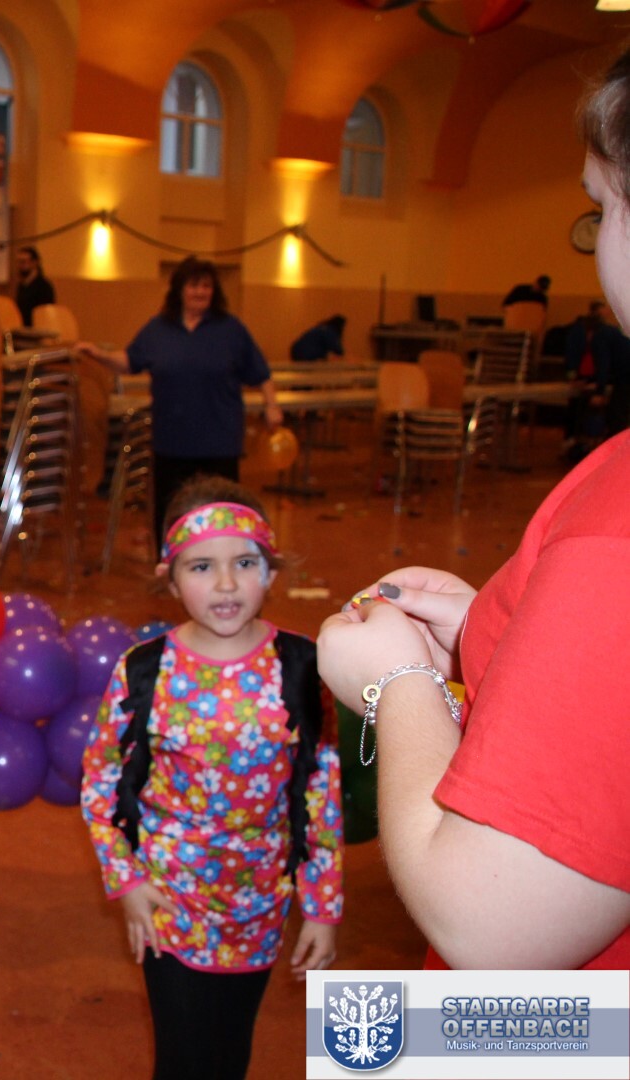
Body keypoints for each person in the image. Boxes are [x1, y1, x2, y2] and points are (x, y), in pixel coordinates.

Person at [315, 47, 630, 970]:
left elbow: (491, 926)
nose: (596, 243)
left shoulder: (615, 533)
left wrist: (397, 683)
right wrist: (505, 627)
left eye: (602, 207)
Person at [82, 477, 342, 1080]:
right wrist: (126, 880)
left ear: (270, 571)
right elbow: (100, 780)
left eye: (244, 563)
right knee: (183, 1060)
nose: (226, 584)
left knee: (229, 1053)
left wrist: (322, 906)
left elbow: (319, 791)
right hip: (171, 900)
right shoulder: (144, 670)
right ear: (171, 579)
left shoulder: (302, 665)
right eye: (202, 567)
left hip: (260, 904)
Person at [75, 257, 284, 541]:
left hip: (219, 441)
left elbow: (260, 372)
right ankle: (170, 560)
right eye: (194, 285)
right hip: (172, 440)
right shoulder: (159, 329)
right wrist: (99, 354)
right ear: (180, 290)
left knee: (219, 512)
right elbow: (129, 361)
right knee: (171, 511)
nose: (201, 292)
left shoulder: (231, 329)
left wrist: (272, 406)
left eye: (207, 286)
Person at [14, 245, 55, 327]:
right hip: (22, 328)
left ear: (34, 262)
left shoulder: (44, 286)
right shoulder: (22, 286)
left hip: (37, 329)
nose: (20, 266)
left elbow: (45, 313)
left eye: (23, 261)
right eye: (19, 262)